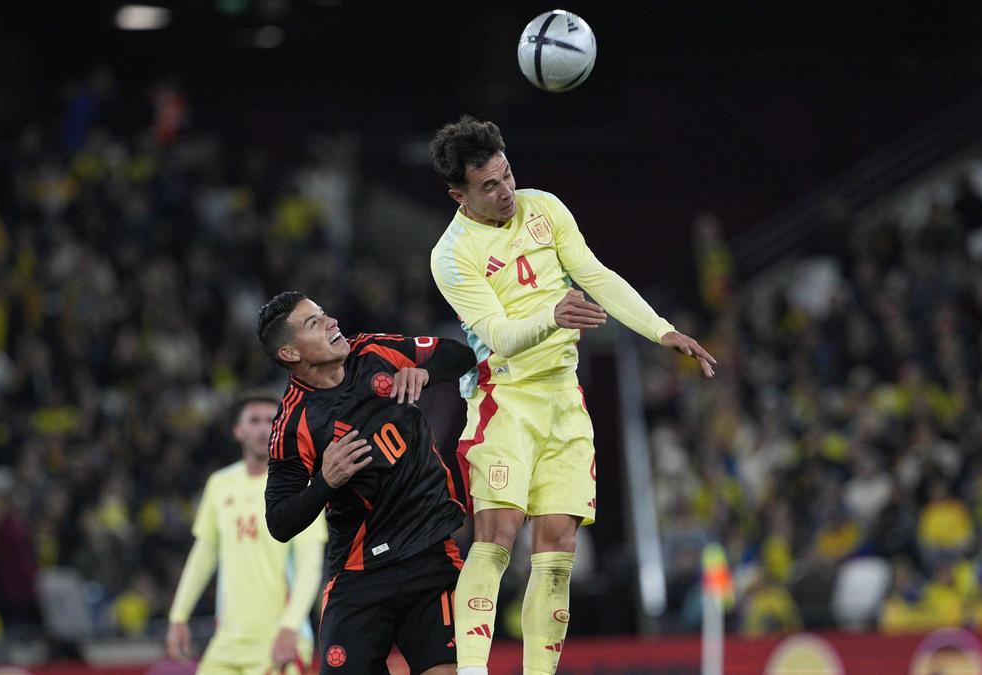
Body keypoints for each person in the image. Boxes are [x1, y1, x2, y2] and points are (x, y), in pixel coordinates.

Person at [428, 115, 717, 675]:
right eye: (488, 186)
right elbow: (498, 335)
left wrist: (661, 330)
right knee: (497, 534)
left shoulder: (545, 207)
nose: (506, 191)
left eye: (507, 174)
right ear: (457, 194)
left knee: (558, 551)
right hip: (504, 399)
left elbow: (596, 274)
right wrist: (553, 313)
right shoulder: (452, 254)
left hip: (563, 398)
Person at [259, 291, 477, 675]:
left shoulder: (374, 351)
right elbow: (279, 521)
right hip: (360, 575)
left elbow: (460, 354)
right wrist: (325, 482)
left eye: (324, 313)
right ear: (291, 354)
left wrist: (426, 372)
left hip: (431, 555)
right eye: (314, 323)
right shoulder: (293, 424)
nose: (332, 322)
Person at [166, 390, 328, 675]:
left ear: (281, 428)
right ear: (238, 431)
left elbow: (309, 568)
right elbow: (203, 555)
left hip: (278, 638)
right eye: (254, 420)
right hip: (226, 642)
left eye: (270, 419)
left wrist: (290, 628)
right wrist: (178, 616)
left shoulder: (301, 488)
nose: (263, 427)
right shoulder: (220, 484)